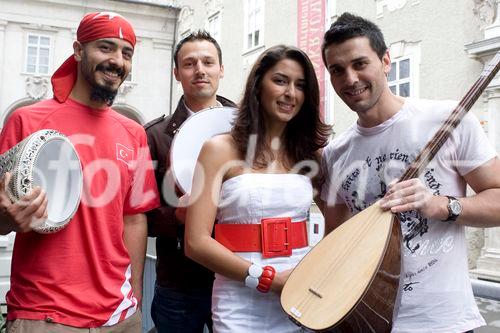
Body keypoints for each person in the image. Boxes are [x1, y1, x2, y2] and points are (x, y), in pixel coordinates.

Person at [320, 12, 500, 333]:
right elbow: (337, 239)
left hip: (443, 322)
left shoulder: (447, 119)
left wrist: (440, 205)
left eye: (360, 63)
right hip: (366, 320)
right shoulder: (335, 154)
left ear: (386, 60)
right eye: (337, 70)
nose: (350, 78)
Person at [0, 12, 159, 333]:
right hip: (45, 315)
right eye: (106, 48)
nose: (117, 60)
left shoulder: (134, 133)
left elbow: (134, 218)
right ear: (78, 50)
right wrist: (10, 218)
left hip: (120, 317)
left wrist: (136, 294)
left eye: (126, 53)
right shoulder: (26, 121)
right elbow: (1, 216)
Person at [184, 45, 331, 332]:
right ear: (257, 85)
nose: (291, 93)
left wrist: (313, 274)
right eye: (280, 81)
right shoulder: (218, 150)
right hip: (240, 303)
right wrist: (267, 279)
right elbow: (195, 242)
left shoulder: (311, 155)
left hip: (300, 297)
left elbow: (339, 228)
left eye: (300, 85)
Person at [144, 30, 236, 333]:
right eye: (190, 63)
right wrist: (178, 216)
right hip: (180, 282)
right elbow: (142, 216)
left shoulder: (249, 129)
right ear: (176, 73)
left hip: (240, 274)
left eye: (208, 62)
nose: (200, 70)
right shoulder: (154, 136)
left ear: (221, 69)